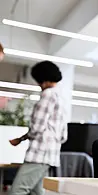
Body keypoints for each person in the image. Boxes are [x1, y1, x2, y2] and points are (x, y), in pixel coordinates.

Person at [8, 61, 68, 195]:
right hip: (50, 155)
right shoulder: (61, 98)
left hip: (39, 154)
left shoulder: (47, 95)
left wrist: (21, 139)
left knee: (17, 191)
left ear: (43, 80)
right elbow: (64, 135)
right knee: (37, 192)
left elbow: (37, 127)